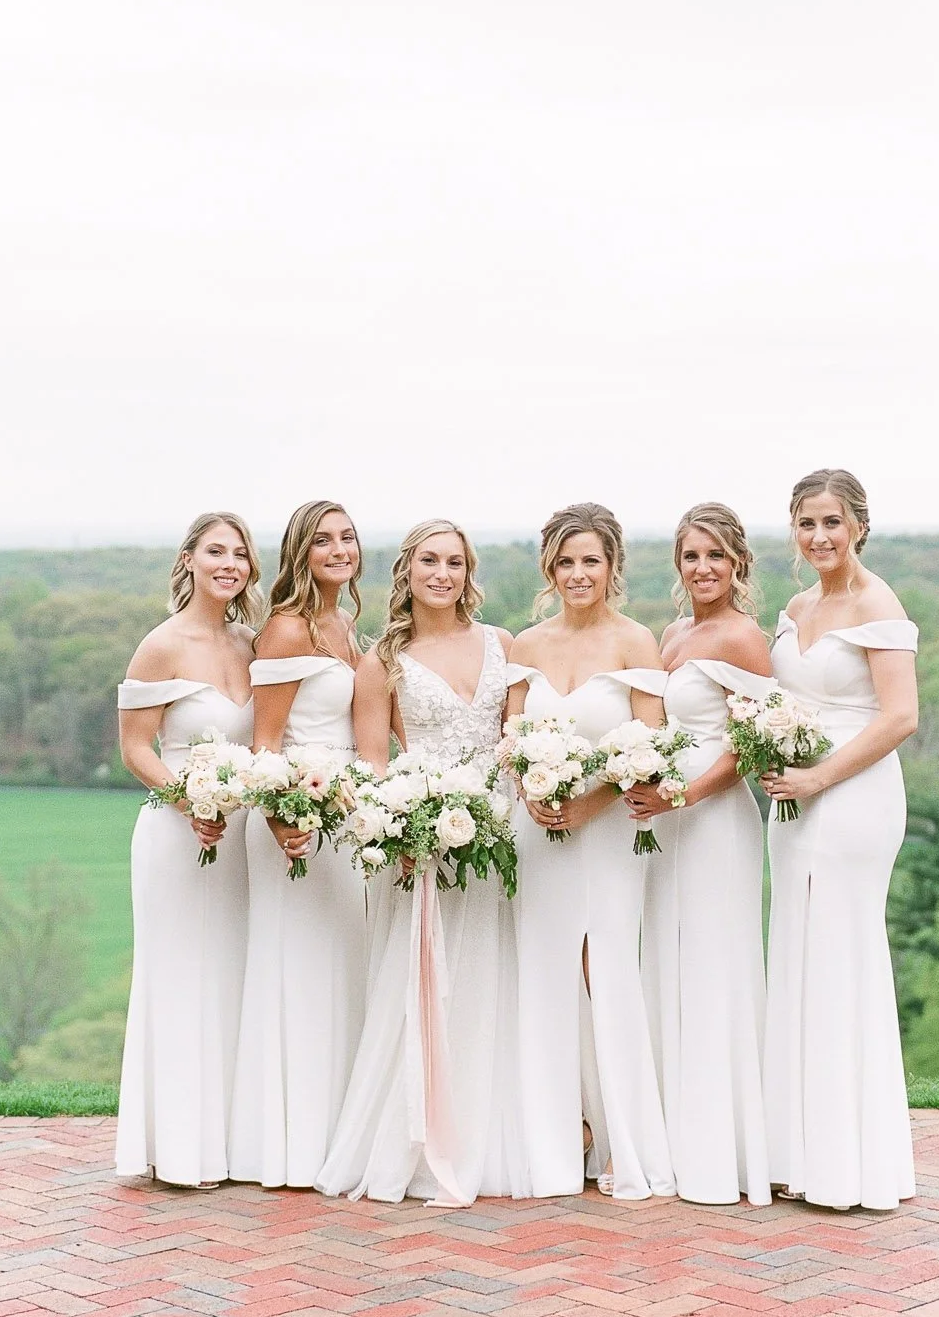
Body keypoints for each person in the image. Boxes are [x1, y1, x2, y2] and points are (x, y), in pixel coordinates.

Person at [316, 520, 527, 1205]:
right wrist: (407, 830)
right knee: (427, 985)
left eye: (456, 562)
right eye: (430, 561)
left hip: (501, 837)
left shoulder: (502, 644)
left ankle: (495, 1140)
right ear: (406, 571)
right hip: (423, 843)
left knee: (497, 983)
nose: (443, 573)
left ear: (469, 572)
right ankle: (415, 1142)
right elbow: (374, 761)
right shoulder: (383, 661)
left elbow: (515, 743)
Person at [506, 503, 675, 1200]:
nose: (579, 574)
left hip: (607, 834)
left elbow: (653, 748)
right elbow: (510, 737)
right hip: (537, 836)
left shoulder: (637, 642)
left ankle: (619, 1138)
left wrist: (590, 800)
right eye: (567, 562)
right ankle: (554, 1134)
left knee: (605, 966)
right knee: (543, 971)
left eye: (591, 562)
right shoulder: (523, 645)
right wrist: (532, 791)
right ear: (550, 567)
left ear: (612, 568)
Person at [761, 468, 919, 1210]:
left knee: (839, 955)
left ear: (858, 524)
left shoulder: (876, 603)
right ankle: (799, 1151)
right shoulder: (795, 606)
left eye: (831, 522)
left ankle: (851, 1162)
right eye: (806, 523)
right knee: (797, 953)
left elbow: (899, 718)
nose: (819, 536)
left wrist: (820, 779)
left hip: (852, 799)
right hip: (791, 801)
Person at [115, 511, 260, 1187]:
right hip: (178, 835)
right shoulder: (161, 645)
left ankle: (228, 1143)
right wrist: (189, 803)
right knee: (179, 980)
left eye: (239, 553)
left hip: (239, 840)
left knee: (231, 977)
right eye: (216, 551)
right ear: (190, 561)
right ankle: (175, 1147)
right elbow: (135, 746)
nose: (229, 563)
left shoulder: (250, 645)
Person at [227, 501, 367, 1188]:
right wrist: (283, 813)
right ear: (299, 554)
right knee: (297, 972)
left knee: (344, 967)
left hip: (344, 813)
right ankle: (286, 1145)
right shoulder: (284, 631)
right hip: (295, 813)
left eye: (347, 537)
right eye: (323, 541)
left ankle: (335, 1136)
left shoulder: (345, 625)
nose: (339, 549)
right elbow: (264, 742)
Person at [638, 501, 773, 1205]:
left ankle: (723, 1150)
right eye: (691, 556)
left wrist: (683, 796)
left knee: (714, 965)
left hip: (713, 819)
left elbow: (751, 748)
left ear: (737, 563)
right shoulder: (673, 633)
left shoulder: (744, 638)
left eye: (715, 555)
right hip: (665, 821)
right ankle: (668, 1136)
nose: (703, 568)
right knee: (667, 957)